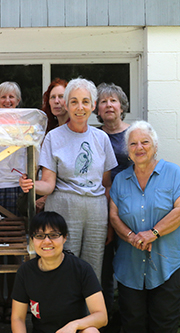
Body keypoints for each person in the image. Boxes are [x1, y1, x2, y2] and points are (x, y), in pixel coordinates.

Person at [19, 78, 117, 280]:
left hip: (97, 211)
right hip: (64, 208)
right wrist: (32, 184)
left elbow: (106, 184)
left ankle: (92, 311)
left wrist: (108, 223)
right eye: (73, 101)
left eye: (85, 101)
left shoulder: (102, 139)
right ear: (66, 104)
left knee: (93, 268)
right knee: (63, 266)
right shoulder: (54, 137)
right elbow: (48, 183)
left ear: (93, 105)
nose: (80, 107)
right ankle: (65, 311)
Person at [110, 120, 180, 333]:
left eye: (145, 142)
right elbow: (113, 216)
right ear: (127, 151)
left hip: (167, 265)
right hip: (129, 267)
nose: (139, 148)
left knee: (165, 324)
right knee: (132, 325)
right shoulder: (120, 179)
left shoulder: (174, 173)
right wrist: (132, 236)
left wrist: (153, 233)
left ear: (155, 146)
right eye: (133, 144)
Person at [11, 211, 107, 333]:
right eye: (39, 236)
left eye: (53, 235)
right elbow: (18, 318)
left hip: (73, 331)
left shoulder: (81, 269)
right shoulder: (25, 272)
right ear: (32, 240)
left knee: (91, 331)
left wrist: (74, 325)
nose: (46, 241)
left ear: (65, 237)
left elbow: (101, 316)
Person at [94, 83, 132, 320]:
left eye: (113, 100)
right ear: (97, 108)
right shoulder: (93, 135)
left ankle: (130, 317)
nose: (109, 105)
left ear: (122, 106)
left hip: (130, 208)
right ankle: (105, 319)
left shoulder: (135, 133)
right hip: (101, 207)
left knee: (130, 265)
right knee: (104, 267)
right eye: (103, 101)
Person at [0, 81, 25, 216]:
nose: (7, 101)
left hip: (18, 187)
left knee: (17, 230)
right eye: (3, 97)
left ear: (18, 100)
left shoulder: (26, 125)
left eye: (11, 97)